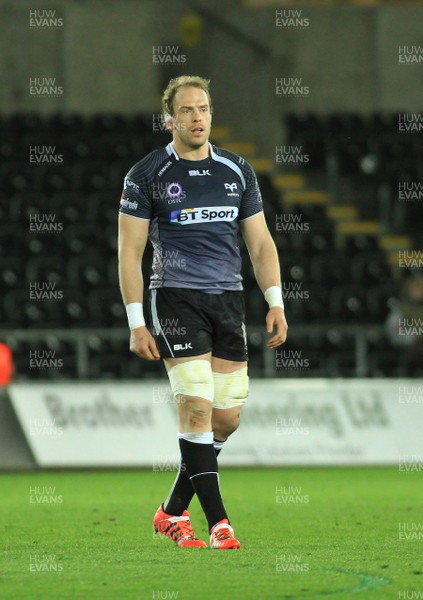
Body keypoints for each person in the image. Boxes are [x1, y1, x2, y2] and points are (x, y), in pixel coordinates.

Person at [118, 75, 288, 550]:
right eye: (188, 111)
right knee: (195, 405)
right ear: (169, 119)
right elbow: (129, 253)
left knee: (226, 418)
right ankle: (219, 524)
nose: (198, 118)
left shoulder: (237, 170)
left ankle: (171, 511)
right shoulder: (146, 174)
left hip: (228, 302)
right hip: (175, 298)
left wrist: (275, 302)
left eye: (205, 109)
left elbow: (260, 243)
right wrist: (136, 323)